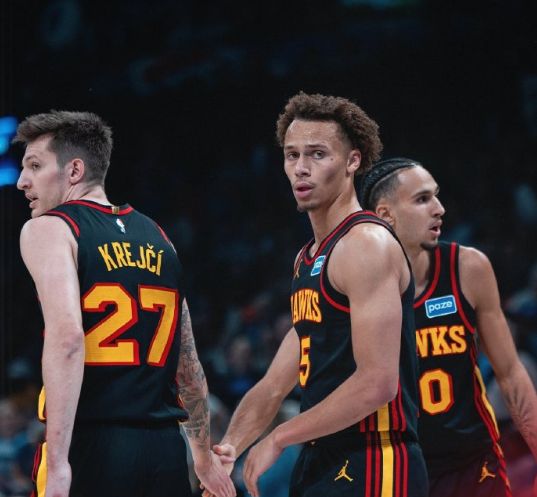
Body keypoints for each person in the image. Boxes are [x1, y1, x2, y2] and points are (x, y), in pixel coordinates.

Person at [208, 92, 428, 497]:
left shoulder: (366, 244)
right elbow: (274, 384)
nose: (301, 168)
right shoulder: (307, 258)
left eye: (317, 154)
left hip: (376, 456)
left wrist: (280, 436)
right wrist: (229, 450)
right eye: (292, 155)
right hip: (322, 456)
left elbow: (378, 383)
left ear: (352, 161)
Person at [13, 110, 235, 497]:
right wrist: (202, 458)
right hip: (164, 449)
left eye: (34, 165)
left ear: (74, 170)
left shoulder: (48, 228)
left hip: (94, 445)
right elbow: (187, 361)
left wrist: (59, 463)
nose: (21, 181)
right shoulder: (159, 236)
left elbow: (68, 339)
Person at [360, 157, 537, 497]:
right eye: (422, 199)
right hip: (400, 472)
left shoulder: (468, 267)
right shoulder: (354, 291)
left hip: (473, 464)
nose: (439, 208)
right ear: (385, 215)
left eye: (436, 196)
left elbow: (511, 374)